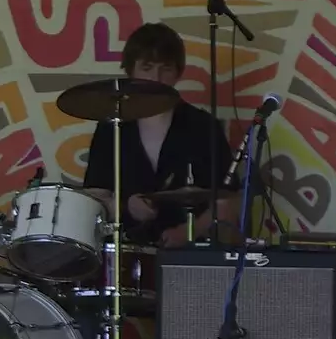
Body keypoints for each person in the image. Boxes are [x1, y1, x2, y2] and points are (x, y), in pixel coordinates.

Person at [82, 22, 239, 247]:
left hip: (189, 254)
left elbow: (228, 202)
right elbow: (94, 200)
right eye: (147, 67)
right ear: (131, 71)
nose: (156, 78)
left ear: (178, 73)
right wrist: (126, 206)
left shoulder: (203, 126)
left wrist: (188, 232)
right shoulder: (111, 126)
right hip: (124, 253)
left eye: (165, 68)